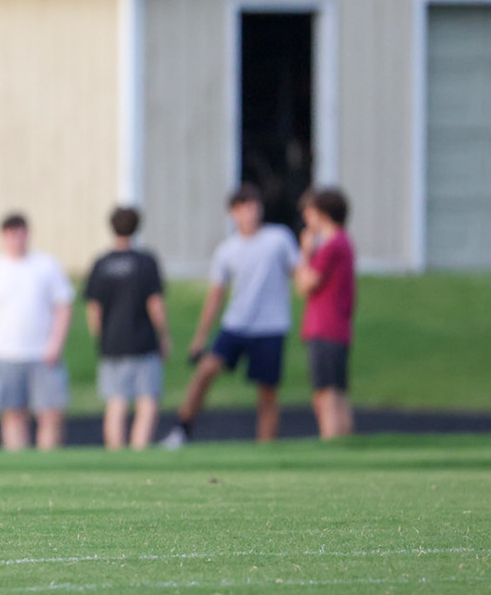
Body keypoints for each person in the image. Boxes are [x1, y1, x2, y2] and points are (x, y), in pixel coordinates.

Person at [164, 184, 299, 447]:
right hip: (236, 325)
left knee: (267, 392)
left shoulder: (278, 238)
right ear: (233, 213)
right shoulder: (227, 249)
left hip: (271, 326)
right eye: (244, 207)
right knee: (205, 372)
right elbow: (216, 295)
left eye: (254, 206)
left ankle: (266, 448)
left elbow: (299, 273)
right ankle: (182, 429)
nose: (251, 212)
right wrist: (200, 337)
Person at [0, 213, 74, 451]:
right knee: (13, 414)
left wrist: (55, 344)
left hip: (43, 353)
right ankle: (18, 467)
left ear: (28, 233)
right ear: (3, 237)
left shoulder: (46, 265)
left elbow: (63, 307)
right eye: (11, 234)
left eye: (20, 233)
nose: (16, 239)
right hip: (5, 353)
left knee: (50, 413)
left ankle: (49, 465)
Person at [83, 206, 172, 450]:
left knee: (116, 401)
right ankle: (139, 449)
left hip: (113, 344)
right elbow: (155, 303)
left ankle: (115, 451)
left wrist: (101, 337)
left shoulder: (101, 264)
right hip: (143, 341)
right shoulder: (146, 261)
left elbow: (94, 308)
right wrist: (164, 336)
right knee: (147, 401)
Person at [296, 186, 356, 440]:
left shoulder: (330, 246)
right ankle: (345, 445)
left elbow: (305, 284)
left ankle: (332, 442)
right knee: (336, 392)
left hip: (326, 327)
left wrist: (305, 251)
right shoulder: (344, 242)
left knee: (326, 394)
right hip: (337, 327)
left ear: (323, 214)